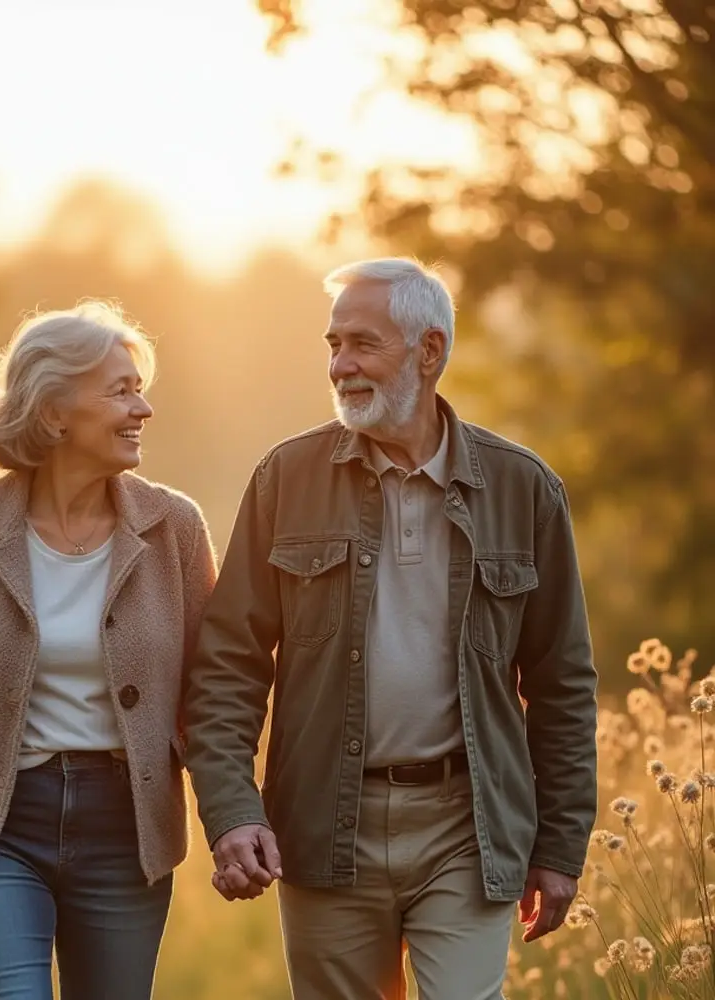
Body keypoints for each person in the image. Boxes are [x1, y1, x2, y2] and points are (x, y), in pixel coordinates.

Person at [183, 258, 598, 1000]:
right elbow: (227, 664)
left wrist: (561, 845)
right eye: (333, 344)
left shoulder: (523, 489)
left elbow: (562, 683)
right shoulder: (287, 478)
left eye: (362, 344)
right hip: (322, 825)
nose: (341, 365)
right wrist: (232, 811)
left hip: (467, 826)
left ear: (429, 351)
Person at [0, 300, 217, 1000]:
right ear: (55, 411)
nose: (143, 408)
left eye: (139, 388)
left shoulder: (174, 528)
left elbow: (211, 696)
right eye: (121, 390)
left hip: (126, 832)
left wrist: (233, 821)